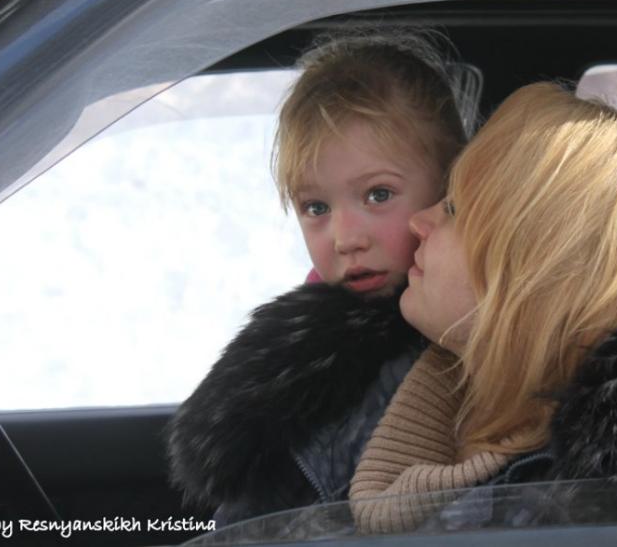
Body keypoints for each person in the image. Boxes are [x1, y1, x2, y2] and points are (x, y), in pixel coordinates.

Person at [168, 74, 617, 529]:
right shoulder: (399, 386)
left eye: (456, 206)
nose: (419, 223)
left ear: (533, 275)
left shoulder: (586, 508)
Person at [168, 31, 468, 522]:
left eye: (377, 195)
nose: (344, 237)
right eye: (316, 207)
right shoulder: (304, 356)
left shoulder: (452, 351)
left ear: (451, 185)